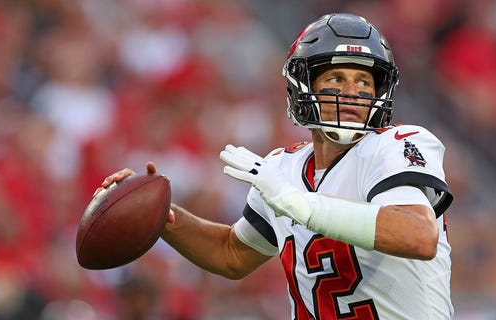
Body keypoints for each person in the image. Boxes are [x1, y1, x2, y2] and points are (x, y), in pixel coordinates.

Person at [96, 13, 455, 319]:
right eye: (336, 79)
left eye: (365, 80)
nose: (354, 92)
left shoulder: (396, 144)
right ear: (304, 86)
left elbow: (418, 236)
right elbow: (232, 254)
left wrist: (301, 205)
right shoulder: (283, 169)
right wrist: (159, 213)